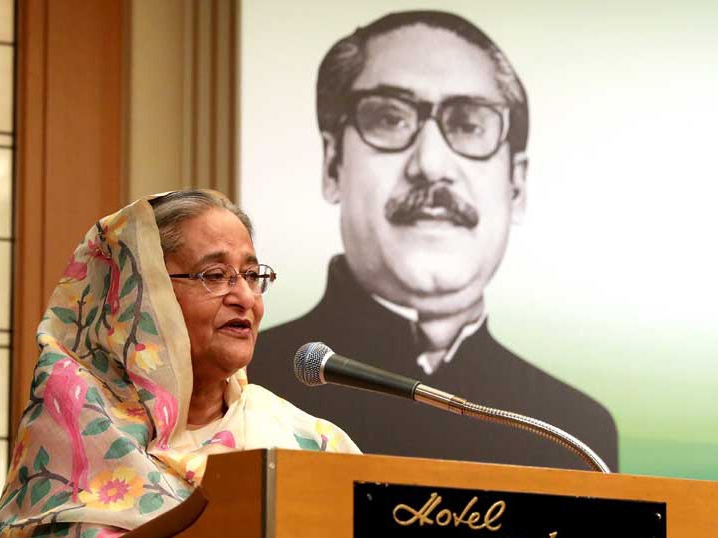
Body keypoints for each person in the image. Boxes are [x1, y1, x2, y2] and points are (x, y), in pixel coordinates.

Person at [249, 11, 618, 471]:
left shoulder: (573, 431)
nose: (431, 163)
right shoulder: (244, 387)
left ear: (516, 185)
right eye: (389, 118)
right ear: (332, 165)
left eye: (469, 125)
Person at [0, 190, 359, 538]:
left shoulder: (307, 440)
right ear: (140, 294)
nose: (244, 298)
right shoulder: (76, 427)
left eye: (252, 276)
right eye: (215, 275)